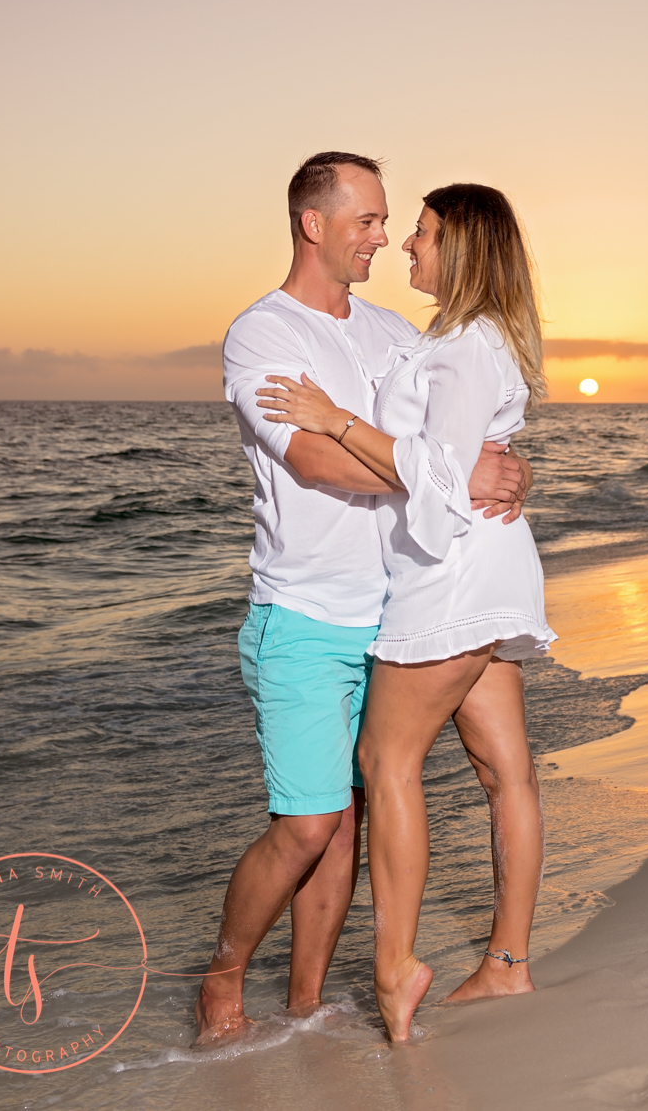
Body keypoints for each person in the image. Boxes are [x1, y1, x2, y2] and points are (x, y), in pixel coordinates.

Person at [195, 155, 533, 1043]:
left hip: (399, 609)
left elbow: (459, 418)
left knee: (357, 825)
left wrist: (498, 468)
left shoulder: (393, 333)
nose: (384, 237)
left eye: (391, 222)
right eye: (368, 220)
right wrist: (453, 480)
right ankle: (224, 970)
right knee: (309, 827)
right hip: (302, 613)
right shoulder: (262, 335)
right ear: (314, 223)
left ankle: (305, 1010)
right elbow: (310, 459)